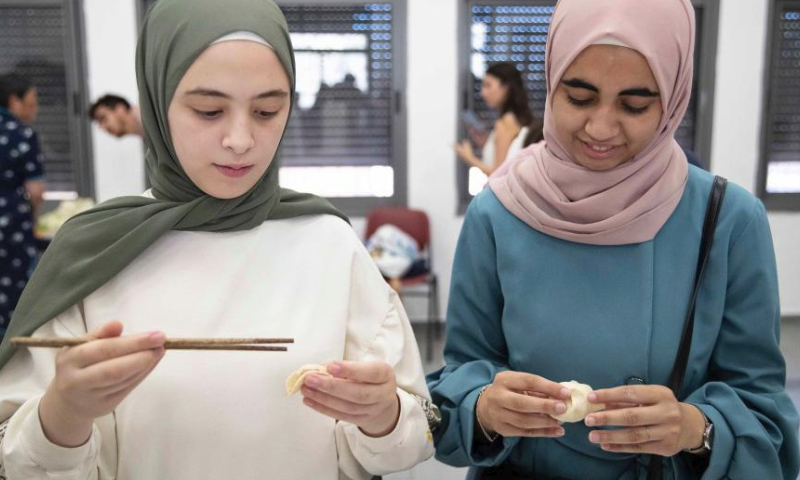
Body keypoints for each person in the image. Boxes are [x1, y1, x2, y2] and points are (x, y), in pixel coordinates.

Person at [0, 0, 434, 478]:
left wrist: (383, 417)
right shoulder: (94, 254)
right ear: (156, 103)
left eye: (268, 110)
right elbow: (20, 462)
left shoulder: (329, 243)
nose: (241, 139)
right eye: (209, 111)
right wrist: (63, 416)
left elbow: (410, 439)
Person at [427, 0, 799, 479]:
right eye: (578, 98)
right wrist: (484, 409)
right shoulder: (499, 212)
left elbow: (769, 427)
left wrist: (695, 428)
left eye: (635, 105)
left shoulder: (728, 220)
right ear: (550, 82)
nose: (599, 128)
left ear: (674, 99)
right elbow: (454, 389)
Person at [0, 73, 45, 338]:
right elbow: (35, 191)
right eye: (32, 100)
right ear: (14, 100)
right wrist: (33, 219)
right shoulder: (22, 134)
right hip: (10, 225)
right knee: (16, 296)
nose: (36, 108)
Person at [455, 63, 544, 176]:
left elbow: (497, 174)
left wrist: (469, 158)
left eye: (488, 85)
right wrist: (487, 143)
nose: (482, 93)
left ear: (505, 87)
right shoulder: (515, 120)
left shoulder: (505, 123)